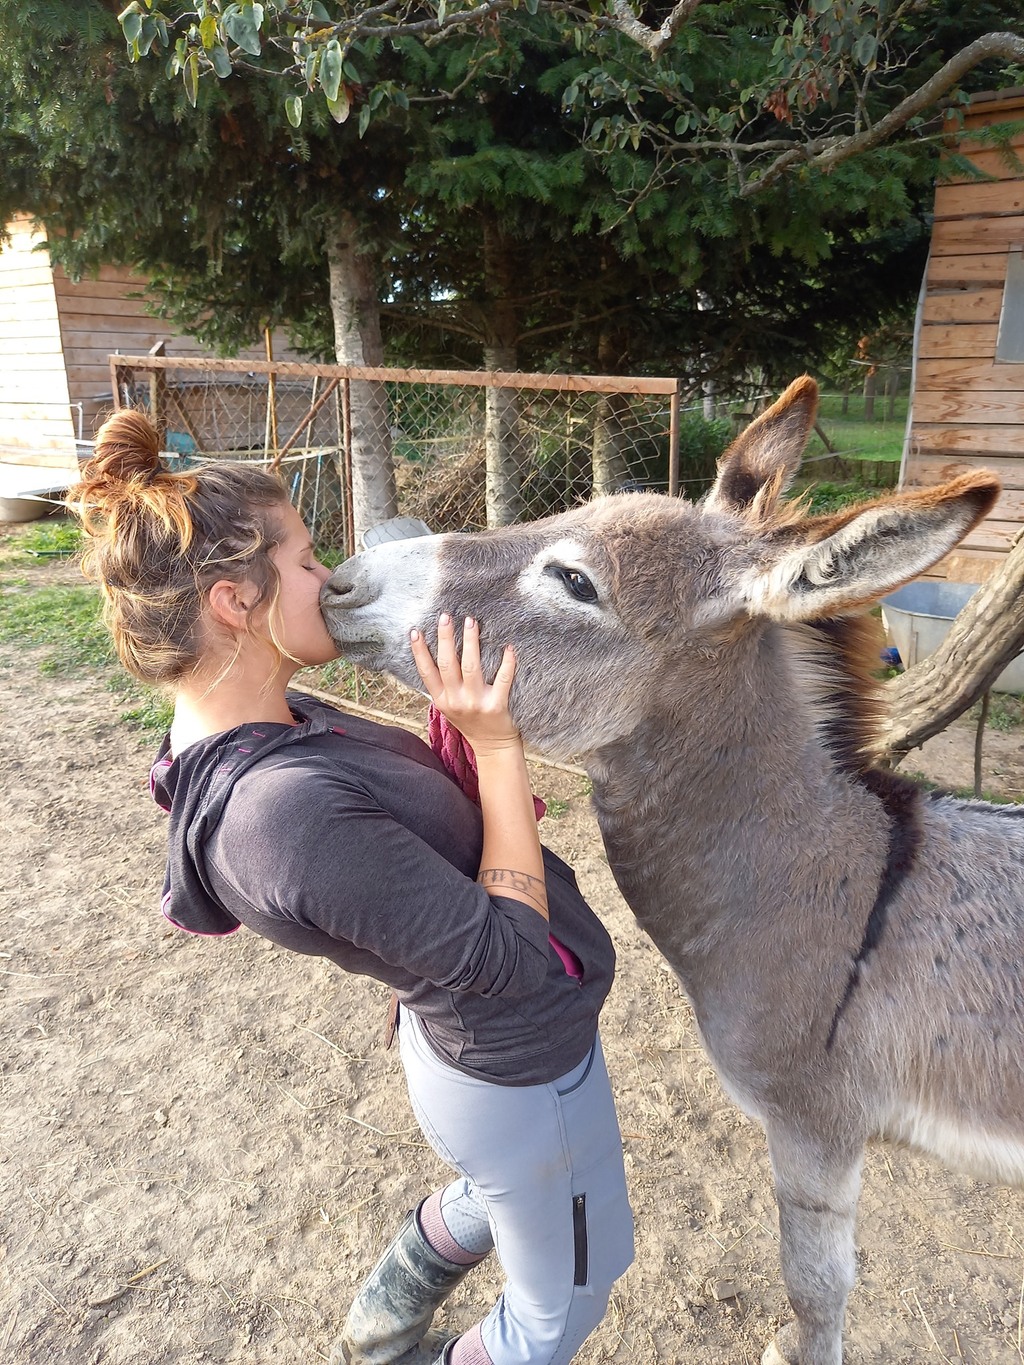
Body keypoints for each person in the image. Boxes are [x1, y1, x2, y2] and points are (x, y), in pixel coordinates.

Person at [68, 408, 634, 1365]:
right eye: (302, 558)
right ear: (231, 602)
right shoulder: (279, 817)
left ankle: (385, 1314)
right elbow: (506, 956)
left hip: (476, 1059)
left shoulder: (266, 713)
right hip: (512, 1059)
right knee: (567, 1299)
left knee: (509, 1190)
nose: (328, 577)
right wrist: (494, 749)